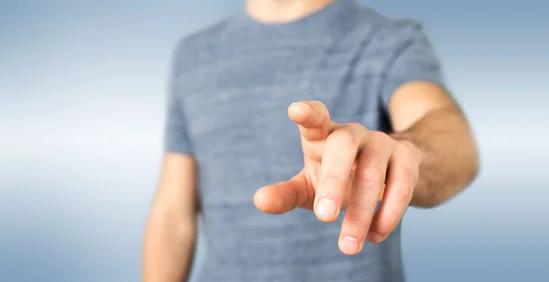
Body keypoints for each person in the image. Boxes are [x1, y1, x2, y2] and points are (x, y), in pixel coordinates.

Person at [142, 0, 480, 281]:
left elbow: (451, 139)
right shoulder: (193, 54)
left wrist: (408, 153)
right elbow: (173, 213)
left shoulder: (390, 39)